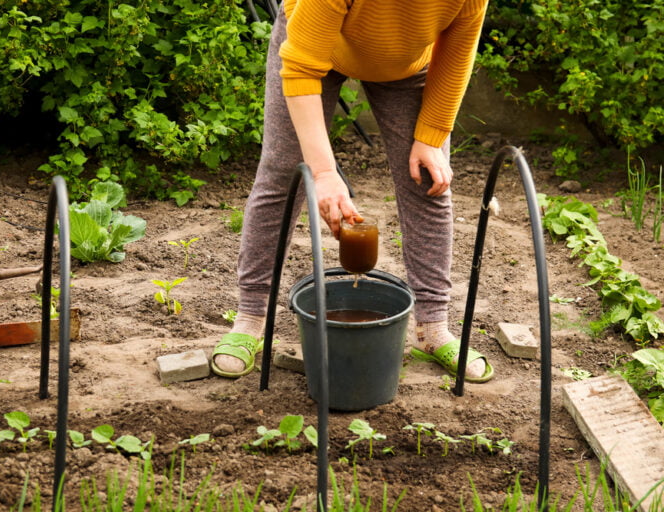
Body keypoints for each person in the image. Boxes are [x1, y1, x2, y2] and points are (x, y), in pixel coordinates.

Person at [211, 0, 494, 383]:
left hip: (405, 65)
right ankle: (250, 317)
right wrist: (324, 171)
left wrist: (432, 134)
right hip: (316, 51)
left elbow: (458, 51)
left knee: (429, 179)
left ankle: (433, 326)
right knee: (283, 173)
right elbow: (300, 66)